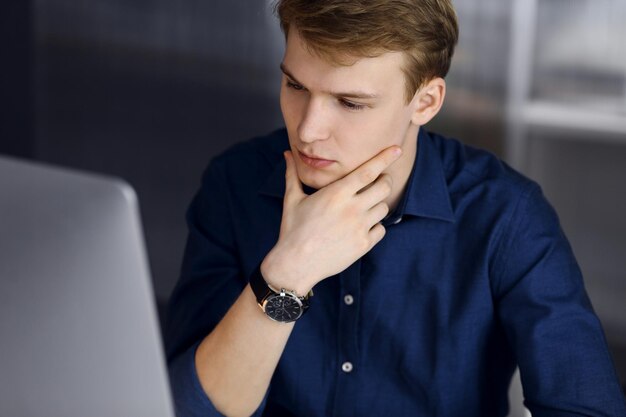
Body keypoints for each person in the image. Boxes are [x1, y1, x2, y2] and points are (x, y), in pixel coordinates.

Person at [165, 1, 626, 416]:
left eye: (349, 102)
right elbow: (189, 409)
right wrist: (289, 271)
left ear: (425, 102)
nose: (307, 130)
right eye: (295, 85)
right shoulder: (234, 183)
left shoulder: (507, 216)